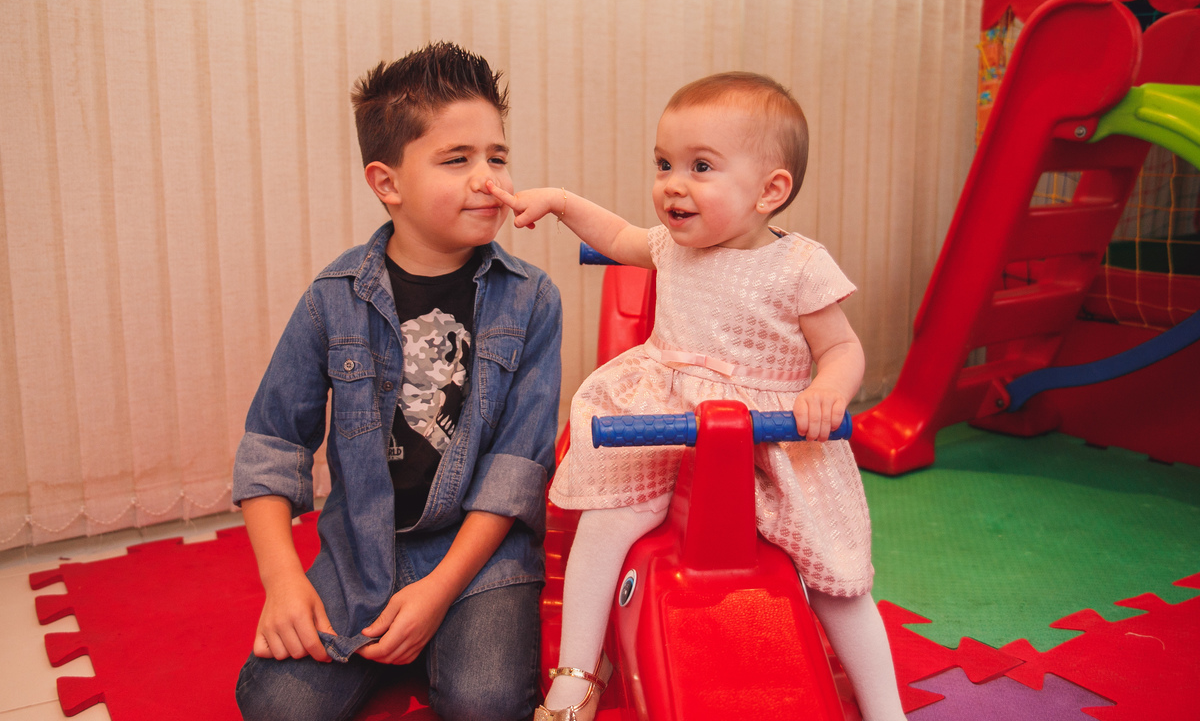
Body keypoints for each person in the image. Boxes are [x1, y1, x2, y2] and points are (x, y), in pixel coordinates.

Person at [488, 72, 906, 721]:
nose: (672, 184)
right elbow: (621, 237)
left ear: (771, 190)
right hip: (668, 424)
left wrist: (827, 391)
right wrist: (564, 202)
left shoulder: (799, 267)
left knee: (838, 577)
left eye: (700, 166)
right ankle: (575, 675)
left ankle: (887, 711)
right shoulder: (671, 247)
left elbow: (842, 349)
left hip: (771, 435)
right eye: (664, 163)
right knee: (607, 521)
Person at [232, 42, 562, 721]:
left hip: (481, 551)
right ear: (387, 183)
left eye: (497, 157)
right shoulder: (333, 298)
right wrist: (284, 582)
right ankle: (406, 640)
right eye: (457, 159)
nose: (489, 179)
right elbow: (273, 444)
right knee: (275, 705)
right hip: (363, 548)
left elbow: (515, 472)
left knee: (486, 704)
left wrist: (439, 592)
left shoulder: (532, 300)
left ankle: (433, 635)